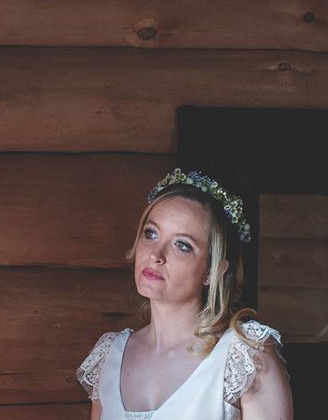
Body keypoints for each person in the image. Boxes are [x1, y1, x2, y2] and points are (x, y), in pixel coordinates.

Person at [77, 168, 293, 419]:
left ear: (211, 271)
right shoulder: (109, 356)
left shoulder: (247, 357)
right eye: (151, 233)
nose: (155, 255)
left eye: (182, 245)